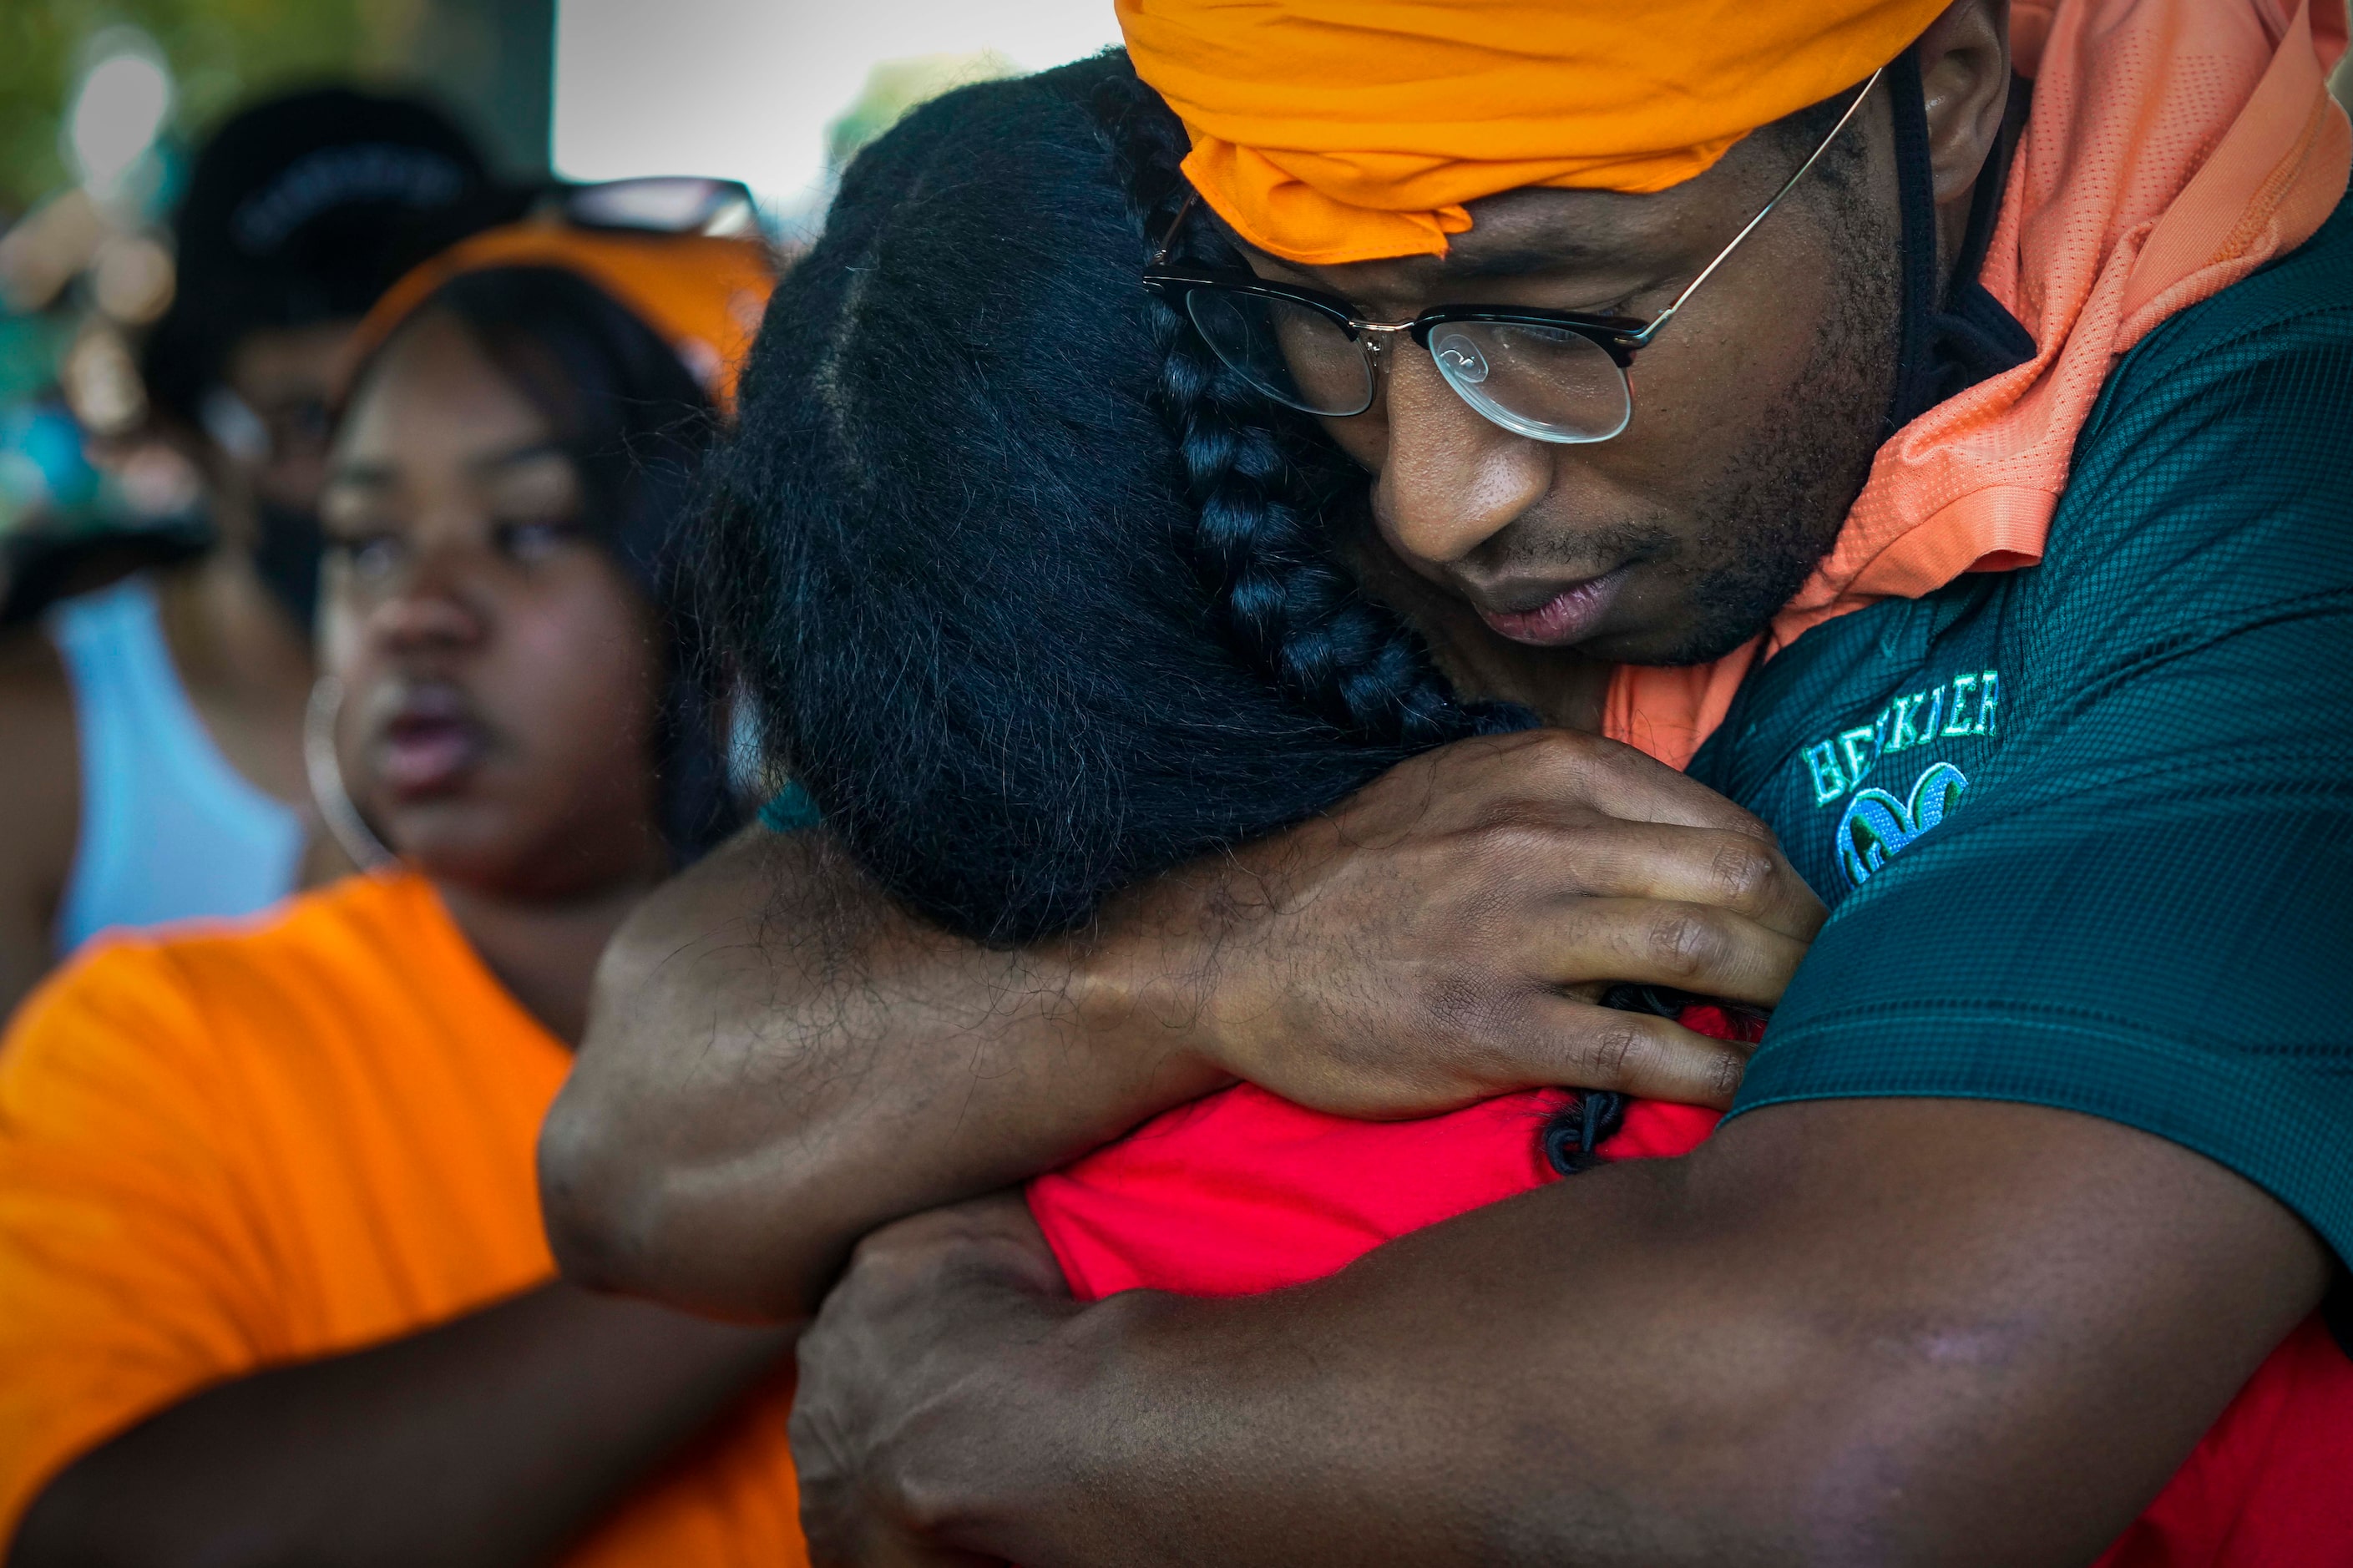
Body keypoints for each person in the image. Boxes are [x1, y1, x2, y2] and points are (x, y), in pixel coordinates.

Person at [543, 0, 2353, 1560]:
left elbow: (1858, 1447)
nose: (1434, 502)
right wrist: (1214, 956)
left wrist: (977, 1422)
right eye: (1326, 321)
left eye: (1574, 319)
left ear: (1942, 95)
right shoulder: (1331, 330)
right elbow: (641, 1141)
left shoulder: (2273, 455)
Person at [0, 220, 804, 1566]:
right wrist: (789, 1214)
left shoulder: (937, 985)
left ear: (738, 578)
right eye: (366, 542)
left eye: (531, 525)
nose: (415, 608)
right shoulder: (158, 1039)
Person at [0, 88, 498, 1014]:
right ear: (189, 433)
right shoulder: (39, 753)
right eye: (309, 421)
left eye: (441, 404)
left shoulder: (608, 722)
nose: (374, 481)